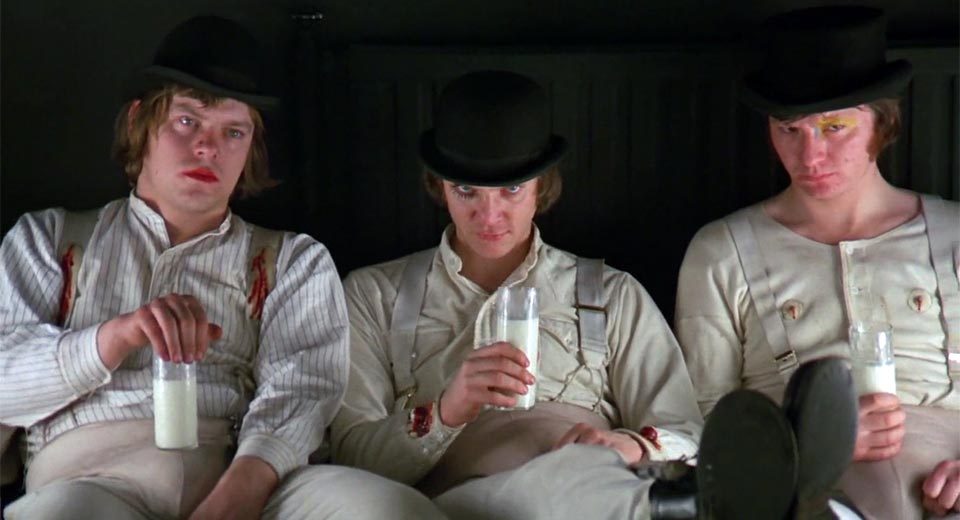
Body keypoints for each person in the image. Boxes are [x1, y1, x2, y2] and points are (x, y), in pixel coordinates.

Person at [0, 15, 438, 519]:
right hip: (88, 478)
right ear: (140, 121)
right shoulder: (48, 240)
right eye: (188, 121)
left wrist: (238, 496)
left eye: (233, 131)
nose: (208, 147)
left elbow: (303, 390)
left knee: (388, 509)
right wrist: (116, 336)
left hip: (244, 476)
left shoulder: (292, 261)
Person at [329, 69, 703, 519]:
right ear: (439, 186)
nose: (490, 216)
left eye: (511, 190)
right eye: (466, 190)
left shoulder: (612, 294)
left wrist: (628, 445)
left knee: (593, 481)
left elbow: (689, 436)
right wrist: (446, 412)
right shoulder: (374, 296)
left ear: (541, 185)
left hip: (590, 492)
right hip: (455, 504)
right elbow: (353, 458)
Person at [674, 6, 959, 519]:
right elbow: (698, 428)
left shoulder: (954, 235)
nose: (810, 157)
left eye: (834, 127)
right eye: (789, 129)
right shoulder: (721, 252)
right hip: (803, 497)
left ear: (881, 121)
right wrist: (805, 438)